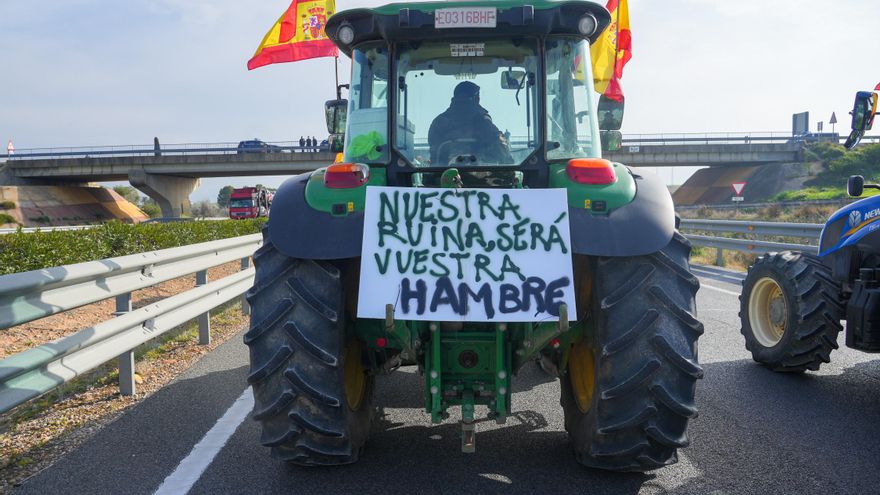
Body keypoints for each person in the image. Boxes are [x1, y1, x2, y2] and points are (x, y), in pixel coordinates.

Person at [428, 81, 512, 165]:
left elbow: (434, 154)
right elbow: (502, 148)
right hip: (480, 173)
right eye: (478, 96)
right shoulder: (483, 121)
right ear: (476, 98)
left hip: (445, 175)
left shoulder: (439, 122)